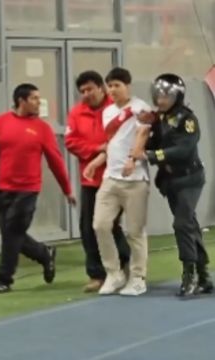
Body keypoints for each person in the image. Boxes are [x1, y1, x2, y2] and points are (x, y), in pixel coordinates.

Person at [0, 83, 76, 294]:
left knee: (12, 233)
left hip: (28, 191)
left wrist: (67, 189)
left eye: (39, 98)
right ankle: (44, 254)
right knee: (11, 235)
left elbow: (56, 161)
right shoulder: (0, 123)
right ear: (21, 101)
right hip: (3, 189)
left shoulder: (42, 129)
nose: (39, 103)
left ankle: (4, 279)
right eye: (35, 99)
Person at [132, 73, 213, 297]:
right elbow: (153, 140)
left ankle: (189, 274)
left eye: (166, 96)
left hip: (190, 178)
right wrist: (144, 127)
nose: (160, 100)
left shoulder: (186, 119)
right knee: (189, 225)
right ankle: (204, 274)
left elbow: (183, 149)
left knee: (181, 224)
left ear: (177, 96)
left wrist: (150, 155)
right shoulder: (159, 119)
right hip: (170, 181)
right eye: (158, 95)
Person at [84, 67, 151, 296]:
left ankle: (138, 277)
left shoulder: (141, 108)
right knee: (100, 225)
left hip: (135, 180)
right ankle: (114, 273)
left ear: (127, 86)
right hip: (110, 179)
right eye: (110, 86)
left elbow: (142, 134)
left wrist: (133, 159)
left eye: (117, 85)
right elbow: (112, 142)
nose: (112, 90)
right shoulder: (107, 112)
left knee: (135, 232)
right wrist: (96, 161)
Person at [65, 71, 130, 293]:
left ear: (102, 88)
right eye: (82, 91)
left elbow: (123, 138)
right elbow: (71, 142)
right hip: (90, 179)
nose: (86, 94)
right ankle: (96, 274)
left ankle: (124, 262)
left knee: (109, 224)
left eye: (90, 89)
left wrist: (107, 150)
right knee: (88, 226)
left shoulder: (117, 110)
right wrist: (95, 149)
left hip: (116, 176)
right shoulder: (76, 113)